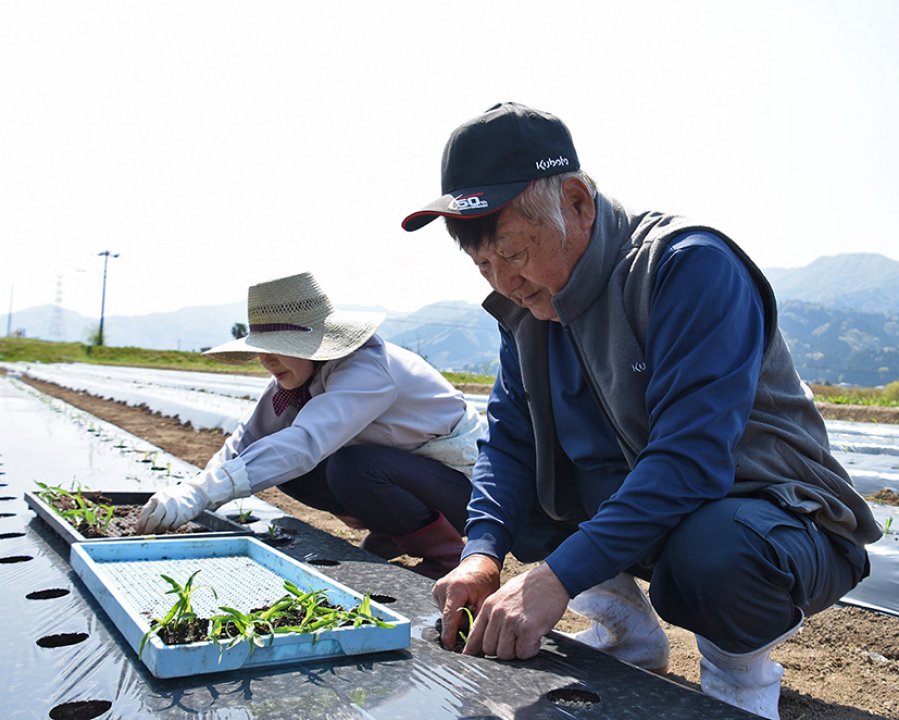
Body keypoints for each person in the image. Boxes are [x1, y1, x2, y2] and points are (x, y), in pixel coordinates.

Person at [401, 102, 881, 719]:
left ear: (576, 202)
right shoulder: (525, 307)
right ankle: (631, 634)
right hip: (661, 510)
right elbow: (510, 442)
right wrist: (481, 553)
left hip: (779, 518)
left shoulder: (685, 268)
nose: (503, 283)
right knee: (517, 500)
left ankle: (740, 685)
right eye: (483, 265)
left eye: (514, 254)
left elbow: (690, 461)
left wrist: (555, 579)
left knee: (716, 556)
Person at [137, 271, 485, 580]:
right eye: (262, 349)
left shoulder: (367, 368)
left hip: (466, 487)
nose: (266, 359)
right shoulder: (295, 381)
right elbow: (246, 440)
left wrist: (202, 493)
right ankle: (392, 531)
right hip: (410, 472)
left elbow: (306, 441)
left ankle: (446, 556)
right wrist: (195, 494)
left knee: (350, 468)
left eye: (279, 347)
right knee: (288, 467)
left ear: (315, 344)